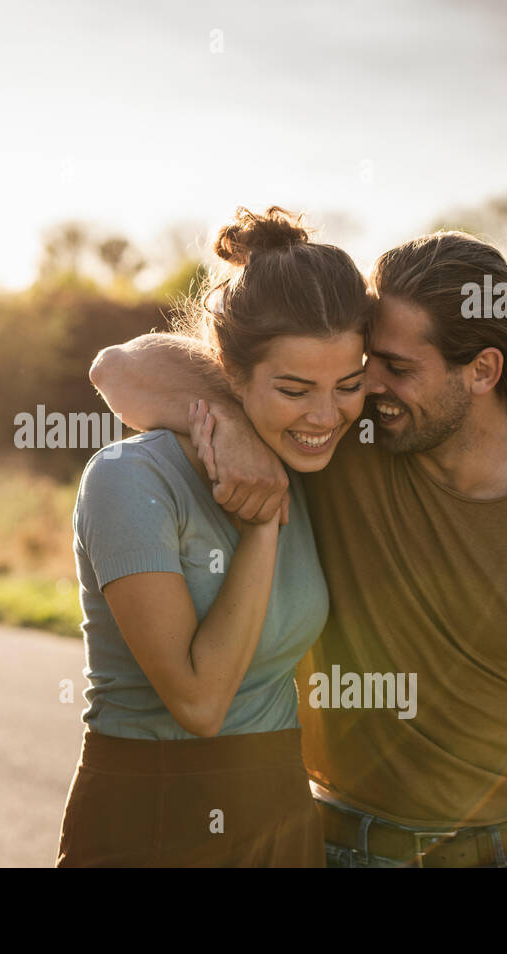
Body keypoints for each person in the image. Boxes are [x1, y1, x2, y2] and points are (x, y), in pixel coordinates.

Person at [90, 230, 507, 867]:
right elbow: (120, 367)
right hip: (341, 847)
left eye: (395, 369)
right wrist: (235, 427)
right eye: (368, 366)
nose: (368, 390)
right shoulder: (341, 441)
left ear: (482, 371)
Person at [56, 206, 371, 866]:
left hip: (282, 810)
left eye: (348, 385)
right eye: (294, 388)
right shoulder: (128, 479)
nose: (324, 415)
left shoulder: (314, 463)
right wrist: (261, 528)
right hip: (154, 816)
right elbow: (200, 701)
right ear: (229, 372)